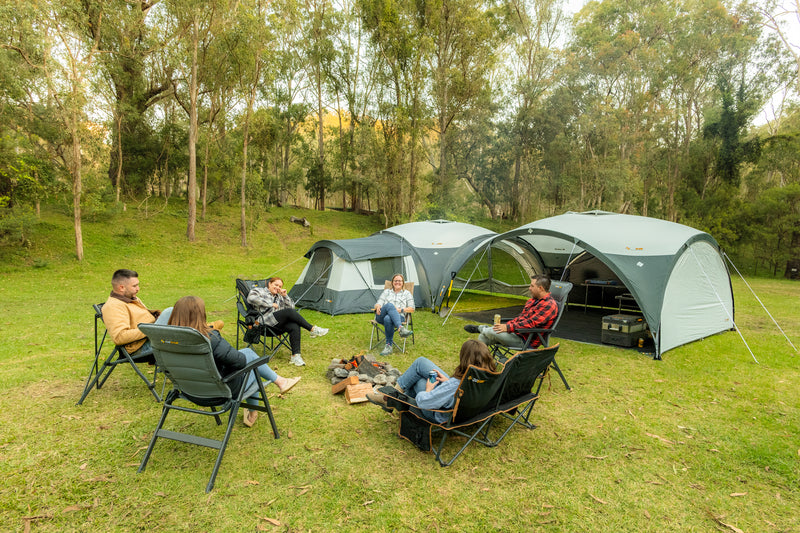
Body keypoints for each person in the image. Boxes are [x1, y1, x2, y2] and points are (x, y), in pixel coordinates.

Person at [168, 295, 300, 428]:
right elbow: (240, 362)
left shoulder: (166, 340)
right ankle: (278, 384)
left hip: (188, 390)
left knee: (249, 356)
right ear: (201, 315)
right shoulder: (210, 339)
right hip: (218, 392)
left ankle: (257, 408)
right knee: (251, 363)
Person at [366, 339, 496, 423]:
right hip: (464, 405)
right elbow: (457, 390)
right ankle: (391, 399)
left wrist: (428, 389)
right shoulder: (491, 377)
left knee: (418, 381)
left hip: (442, 415)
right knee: (421, 363)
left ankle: (388, 399)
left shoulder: (455, 384)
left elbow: (424, 402)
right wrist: (447, 381)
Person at [247, 276, 329, 367]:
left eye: (280, 286)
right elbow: (251, 298)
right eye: (276, 285)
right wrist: (270, 304)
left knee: (294, 325)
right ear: (269, 284)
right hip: (262, 324)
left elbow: (292, 309)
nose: (278, 288)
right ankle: (312, 329)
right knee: (289, 313)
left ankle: (295, 356)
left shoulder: (279, 297)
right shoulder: (260, 291)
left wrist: (285, 296)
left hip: (275, 326)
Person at [463, 275, 558, 349]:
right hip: (516, 333)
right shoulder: (532, 301)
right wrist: (507, 326)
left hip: (525, 340)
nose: (529, 288)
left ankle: (481, 328)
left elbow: (531, 324)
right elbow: (521, 318)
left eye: (532, 286)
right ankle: (479, 364)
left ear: (541, 288)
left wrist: (508, 327)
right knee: (483, 337)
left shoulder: (549, 305)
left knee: (491, 332)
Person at [373, 273, 414, 356]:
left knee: (388, 319)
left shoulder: (407, 293)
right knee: (389, 305)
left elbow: (412, 308)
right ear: (392, 282)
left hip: (399, 317)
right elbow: (378, 303)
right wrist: (377, 306)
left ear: (403, 283)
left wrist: (400, 310)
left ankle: (388, 346)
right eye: (395, 281)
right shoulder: (386, 292)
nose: (397, 282)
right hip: (381, 315)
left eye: (400, 281)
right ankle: (400, 328)